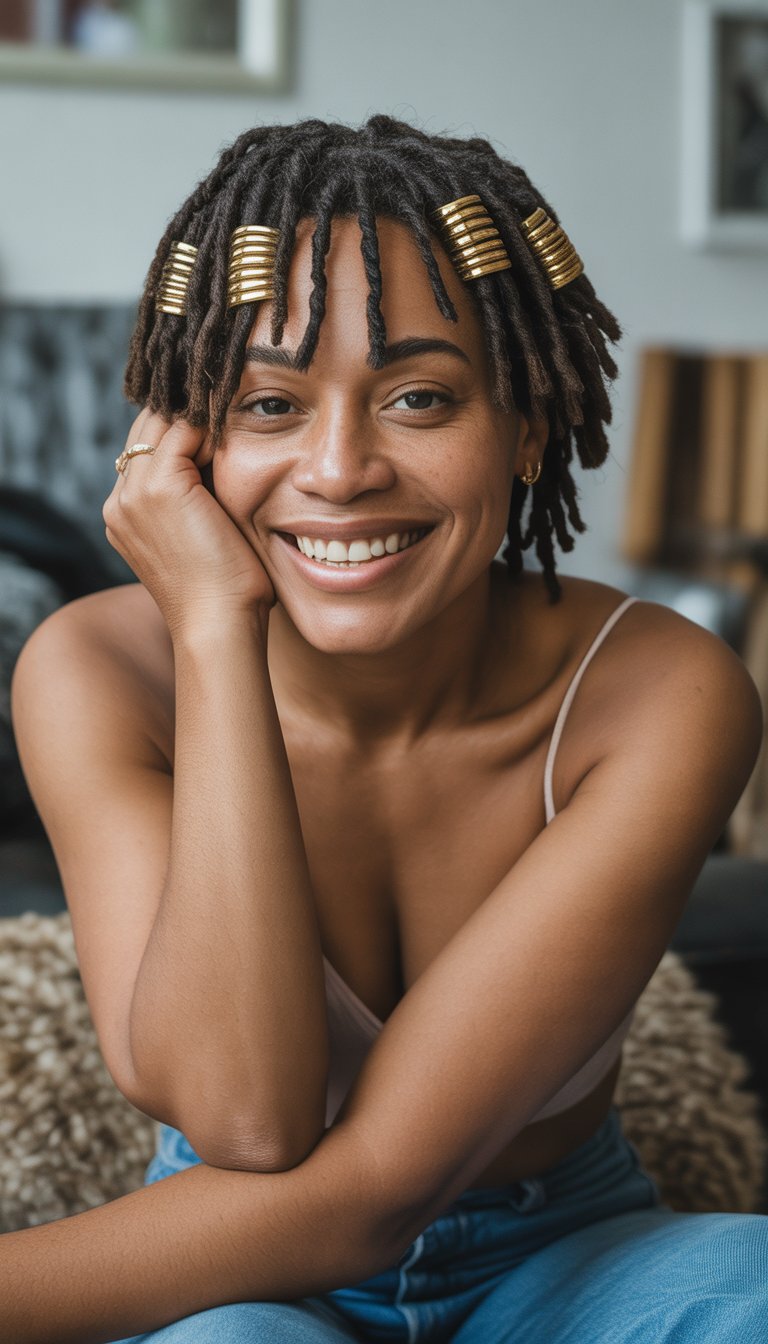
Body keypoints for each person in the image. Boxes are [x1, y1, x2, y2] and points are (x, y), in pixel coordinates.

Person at [6, 115, 767, 1343]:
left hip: (569, 1258)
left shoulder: (659, 692)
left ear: (527, 427)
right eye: (269, 404)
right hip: (240, 1275)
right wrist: (212, 625)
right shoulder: (97, 667)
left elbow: (379, 1191)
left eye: (420, 395)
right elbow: (246, 1123)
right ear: (182, 442)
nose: (340, 466)